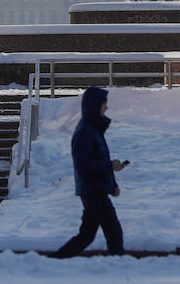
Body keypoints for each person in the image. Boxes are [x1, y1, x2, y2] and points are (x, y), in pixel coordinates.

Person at [54, 86, 128, 257]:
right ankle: (119, 265)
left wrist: (112, 186)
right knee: (113, 231)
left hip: (93, 189)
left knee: (86, 235)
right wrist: (111, 166)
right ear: (95, 106)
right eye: (104, 104)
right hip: (93, 191)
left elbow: (94, 162)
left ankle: (54, 261)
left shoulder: (92, 129)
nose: (107, 108)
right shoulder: (85, 132)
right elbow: (84, 166)